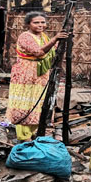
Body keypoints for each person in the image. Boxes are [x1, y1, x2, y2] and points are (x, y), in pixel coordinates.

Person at [6, 11, 68, 141]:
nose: (40, 25)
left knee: (38, 101)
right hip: (25, 73)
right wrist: (55, 39)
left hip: (40, 74)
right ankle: (23, 135)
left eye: (43, 22)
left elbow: (52, 49)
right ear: (28, 24)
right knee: (25, 102)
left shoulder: (43, 37)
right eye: (36, 22)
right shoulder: (25, 37)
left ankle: (32, 131)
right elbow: (39, 52)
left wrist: (62, 40)